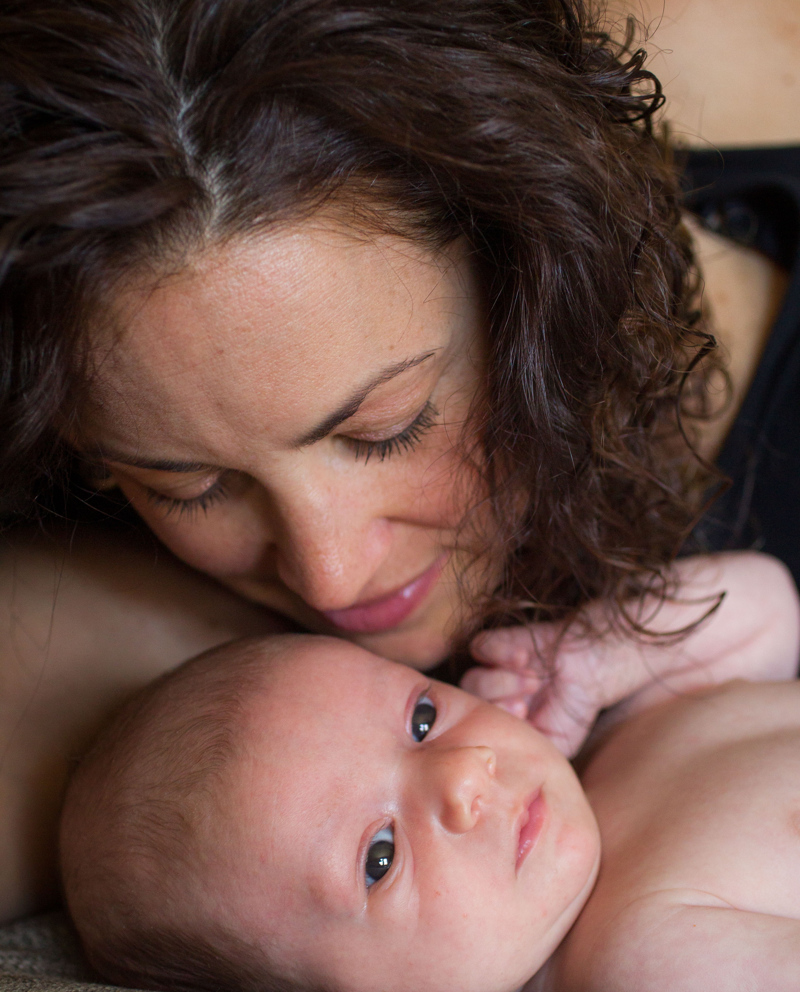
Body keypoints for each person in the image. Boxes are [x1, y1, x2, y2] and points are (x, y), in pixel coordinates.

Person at [3, 0, 800, 919]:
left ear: (532, 295)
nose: (330, 576)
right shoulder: (141, 617)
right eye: (190, 486)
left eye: (387, 429)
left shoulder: (693, 44)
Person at [60, 551, 800, 992]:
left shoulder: (619, 728)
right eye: (380, 857)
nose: (464, 774)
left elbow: (768, 609)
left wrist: (602, 656)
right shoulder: (638, 959)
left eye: (422, 720)